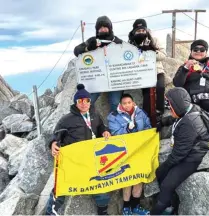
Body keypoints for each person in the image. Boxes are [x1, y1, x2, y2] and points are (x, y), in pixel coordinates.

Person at [45, 84, 111, 215]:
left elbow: (101, 127)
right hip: (73, 161)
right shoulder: (66, 120)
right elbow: (55, 136)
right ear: (76, 102)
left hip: (92, 159)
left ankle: (103, 211)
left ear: (89, 101)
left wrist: (105, 131)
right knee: (61, 186)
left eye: (86, 100)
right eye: (80, 101)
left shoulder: (95, 115)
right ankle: (50, 212)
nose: (84, 103)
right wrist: (52, 143)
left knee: (100, 186)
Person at [151, 87, 209, 214]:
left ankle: (160, 209)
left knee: (166, 183)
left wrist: (165, 166)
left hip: (192, 157)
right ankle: (171, 202)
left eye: (170, 105)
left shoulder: (189, 123)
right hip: (189, 151)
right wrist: (162, 122)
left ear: (178, 104)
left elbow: (179, 154)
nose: (168, 108)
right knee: (161, 174)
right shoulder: (189, 110)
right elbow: (175, 118)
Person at [173, 39, 209, 144]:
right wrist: (186, 68)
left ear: (206, 52)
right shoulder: (185, 66)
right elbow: (177, 83)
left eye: (202, 49)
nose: (199, 51)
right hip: (196, 96)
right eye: (195, 49)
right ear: (191, 52)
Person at [107, 93, 151, 215]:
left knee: (139, 179)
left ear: (133, 103)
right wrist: (127, 129)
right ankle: (126, 208)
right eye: (124, 103)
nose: (127, 105)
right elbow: (115, 134)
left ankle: (136, 206)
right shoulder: (113, 116)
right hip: (125, 154)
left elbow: (148, 126)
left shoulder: (140, 113)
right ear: (120, 104)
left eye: (129, 103)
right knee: (127, 180)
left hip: (140, 151)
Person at [73, 16, 123, 112]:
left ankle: (116, 124)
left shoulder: (117, 41)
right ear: (97, 29)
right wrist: (88, 48)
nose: (103, 29)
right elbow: (76, 50)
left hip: (114, 77)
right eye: (100, 27)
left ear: (110, 28)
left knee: (115, 102)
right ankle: (85, 121)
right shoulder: (93, 40)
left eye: (105, 27)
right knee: (89, 100)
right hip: (97, 77)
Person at [128, 19, 167, 121]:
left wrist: (150, 53)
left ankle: (160, 111)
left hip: (157, 70)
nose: (141, 33)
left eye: (142, 30)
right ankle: (147, 117)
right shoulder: (130, 43)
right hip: (143, 73)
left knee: (160, 87)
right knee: (146, 95)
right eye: (138, 31)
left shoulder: (154, 39)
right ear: (134, 31)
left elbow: (163, 55)